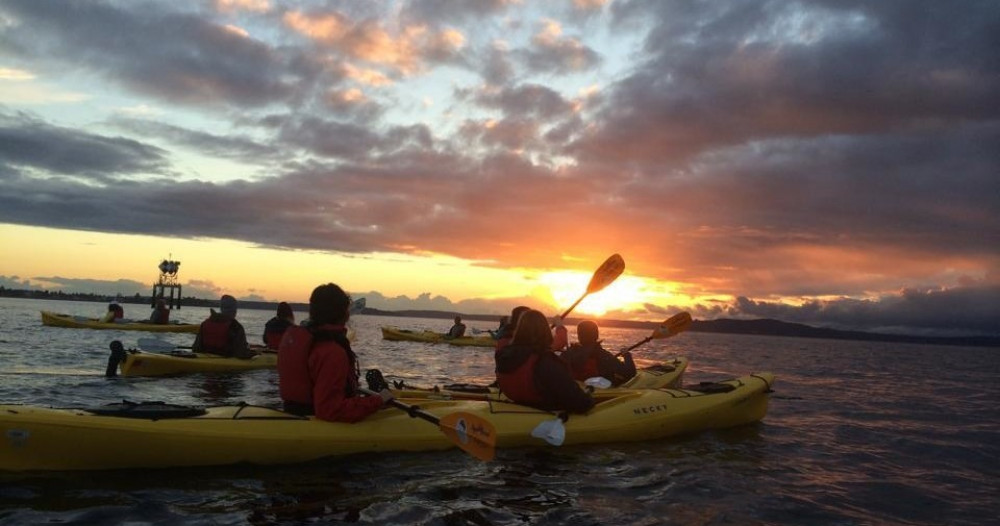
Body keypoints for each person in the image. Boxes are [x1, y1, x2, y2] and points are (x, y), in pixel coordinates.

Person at [278, 283, 393, 422]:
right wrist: (378, 401)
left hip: (293, 413)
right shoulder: (332, 353)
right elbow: (330, 410)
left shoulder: (294, 338)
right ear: (344, 314)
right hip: (317, 419)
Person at [495, 309, 594, 414]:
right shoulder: (545, 362)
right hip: (544, 411)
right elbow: (581, 403)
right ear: (545, 332)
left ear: (518, 331)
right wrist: (589, 399)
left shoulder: (503, 355)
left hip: (516, 407)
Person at [562, 320, 637, 386]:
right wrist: (626, 355)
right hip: (599, 392)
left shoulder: (567, 354)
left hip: (576, 389)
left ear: (579, 336)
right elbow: (630, 373)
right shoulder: (604, 356)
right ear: (597, 335)